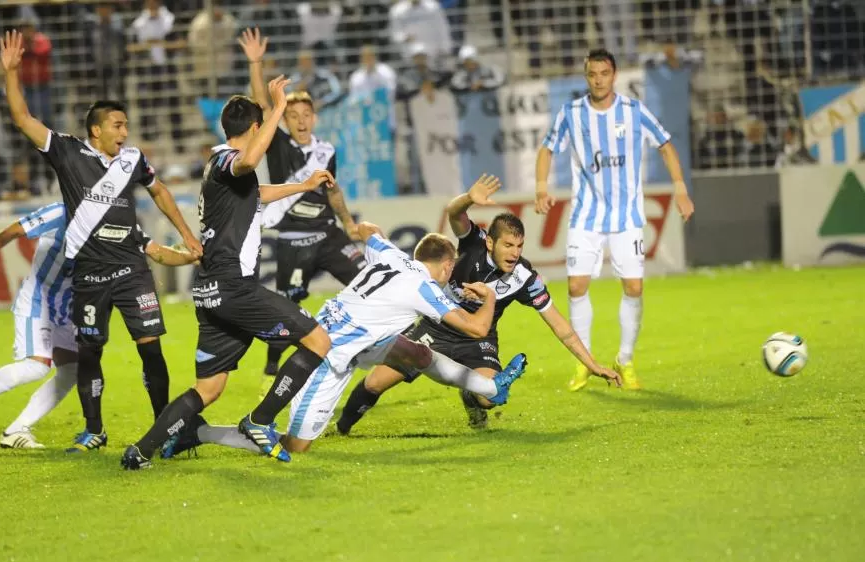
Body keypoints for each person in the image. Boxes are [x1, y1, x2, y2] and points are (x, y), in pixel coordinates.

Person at [120, 79, 354, 470]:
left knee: (209, 388)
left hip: (211, 291)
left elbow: (258, 193)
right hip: (234, 288)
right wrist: (277, 108)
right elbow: (247, 163)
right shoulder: (231, 160)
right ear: (253, 130)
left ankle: (141, 451)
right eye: (261, 129)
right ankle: (260, 420)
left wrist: (303, 184)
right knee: (318, 341)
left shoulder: (220, 168)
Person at [0, 30, 203, 452]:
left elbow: (160, 191)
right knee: (89, 353)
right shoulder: (68, 152)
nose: (125, 131)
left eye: (126, 124)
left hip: (132, 271)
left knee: (151, 349)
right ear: (97, 130)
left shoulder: (133, 160)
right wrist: (13, 74)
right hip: (90, 274)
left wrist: (186, 235)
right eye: (118, 124)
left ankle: (163, 429)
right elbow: (23, 119)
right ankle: (94, 430)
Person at [161, 231, 530, 460]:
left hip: (352, 338)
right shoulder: (424, 288)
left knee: (417, 352)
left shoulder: (391, 255)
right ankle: (198, 432)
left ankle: (490, 388)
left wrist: (342, 208)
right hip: (327, 358)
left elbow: (366, 231)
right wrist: (489, 298)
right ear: (448, 265)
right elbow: (478, 329)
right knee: (295, 445)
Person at [337, 175, 622, 435]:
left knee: (488, 397)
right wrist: (469, 198)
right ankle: (341, 429)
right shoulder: (472, 243)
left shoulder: (525, 278)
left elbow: (560, 326)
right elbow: (454, 212)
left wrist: (592, 364)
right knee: (375, 383)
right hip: (436, 329)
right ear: (489, 242)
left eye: (519, 246)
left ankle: (471, 398)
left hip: (479, 339)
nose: (514, 253)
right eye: (508, 245)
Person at [0, 203, 198, 449]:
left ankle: (17, 430)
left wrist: (191, 257)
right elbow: (13, 230)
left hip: (67, 308)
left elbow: (154, 250)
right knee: (36, 366)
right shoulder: (60, 211)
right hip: (38, 300)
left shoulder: (115, 217)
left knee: (74, 370)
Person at [534, 48, 694, 391]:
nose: (598, 80)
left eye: (604, 73)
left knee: (633, 287)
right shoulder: (572, 113)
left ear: (614, 74)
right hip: (586, 216)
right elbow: (547, 148)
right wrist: (541, 188)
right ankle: (584, 361)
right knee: (576, 286)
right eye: (592, 74)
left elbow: (665, 144)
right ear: (586, 76)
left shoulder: (633, 111)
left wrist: (680, 189)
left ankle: (625, 358)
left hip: (627, 217)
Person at [239, 28, 366, 383]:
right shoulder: (279, 145)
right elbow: (262, 106)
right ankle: (273, 362)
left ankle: (366, 345)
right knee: (289, 302)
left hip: (328, 234)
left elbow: (333, 191)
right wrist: (256, 63)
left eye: (305, 114)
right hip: (293, 237)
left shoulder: (327, 151)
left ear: (314, 117)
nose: (300, 120)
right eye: (293, 115)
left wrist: (348, 224)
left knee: (363, 282)